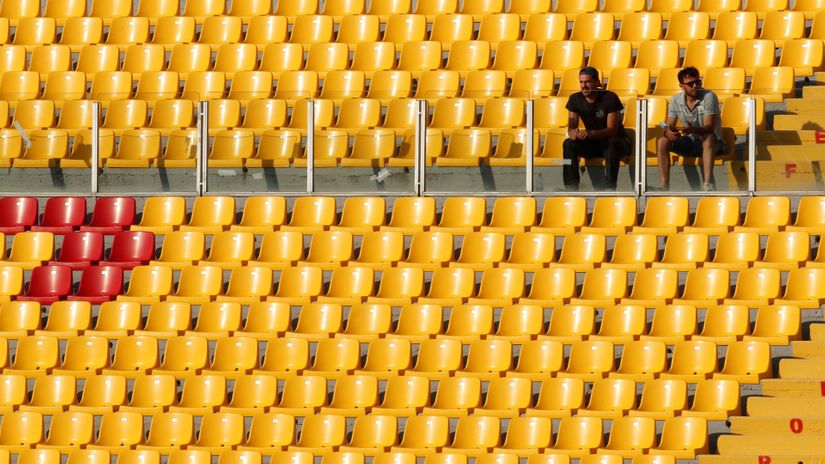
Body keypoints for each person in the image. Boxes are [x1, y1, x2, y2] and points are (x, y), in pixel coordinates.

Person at [655, 66, 727, 191]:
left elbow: (709, 127)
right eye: (690, 83)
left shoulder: (709, 96)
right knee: (662, 141)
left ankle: (707, 184)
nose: (695, 86)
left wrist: (692, 129)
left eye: (697, 82)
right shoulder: (675, 99)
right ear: (681, 86)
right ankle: (664, 186)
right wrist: (667, 130)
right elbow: (665, 123)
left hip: (714, 143)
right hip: (691, 141)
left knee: (707, 137)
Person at [562, 66, 632, 191]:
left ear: (597, 82)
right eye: (581, 82)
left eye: (587, 82)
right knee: (568, 144)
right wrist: (574, 134)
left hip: (618, 142)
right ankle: (570, 187)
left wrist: (591, 133)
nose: (584, 86)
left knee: (611, 142)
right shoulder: (575, 98)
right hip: (594, 144)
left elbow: (612, 130)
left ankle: (610, 188)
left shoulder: (610, 97)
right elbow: (571, 128)